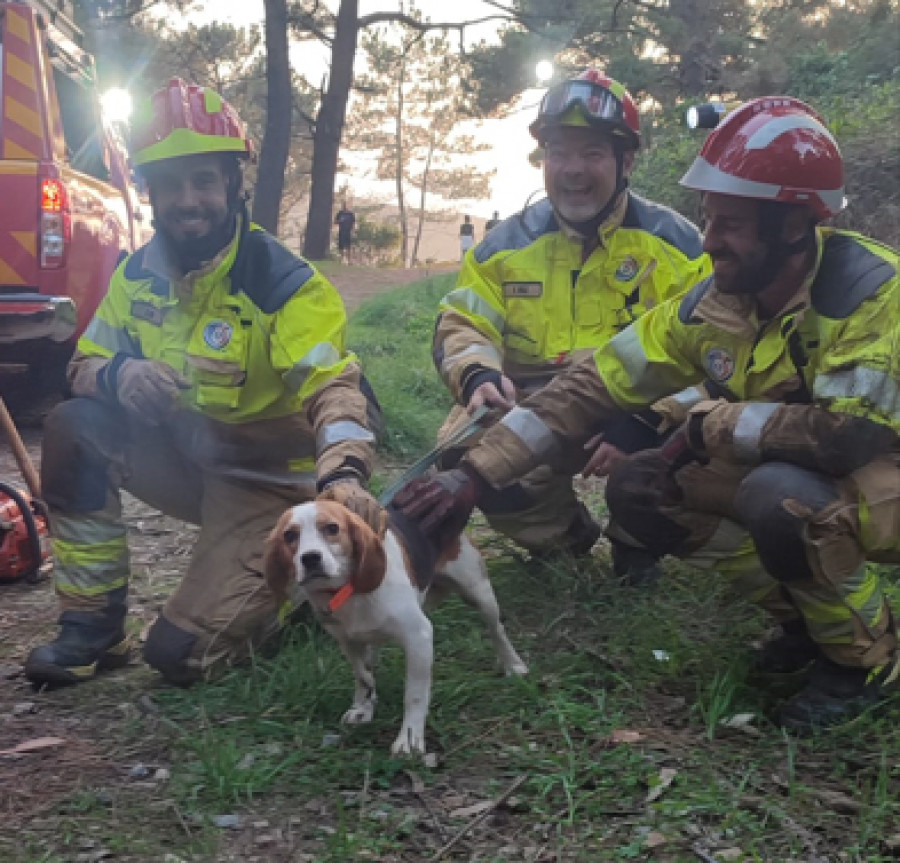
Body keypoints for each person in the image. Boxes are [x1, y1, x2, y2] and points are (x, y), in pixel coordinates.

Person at [397, 96, 900, 733]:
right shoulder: (717, 299)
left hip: (879, 467)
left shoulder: (869, 291)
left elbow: (843, 438)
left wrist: (705, 425)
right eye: (709, 218)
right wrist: (472, 475)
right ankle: (805, 619)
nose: (711, 241)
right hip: (818, 468)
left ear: (794, 226)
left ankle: (864, 659)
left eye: (731, 225)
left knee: (782, 498)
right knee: (645, 491)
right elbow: (590, 385)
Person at [24, 79, 384, 688]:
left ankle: (294, 588)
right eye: (169, 184)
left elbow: (335, 390)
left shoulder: (283, 282)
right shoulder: (134, 276)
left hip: (271, 490)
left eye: (203, 181)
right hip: (190, 466)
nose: (187, 200)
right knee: (74, 425)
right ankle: (93, 627)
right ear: (149, 191)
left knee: (180, 656)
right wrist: (121, 373)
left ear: (231, 184)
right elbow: (81, 367)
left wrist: (344, 477)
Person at [431, 70, 709, 560]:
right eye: (558, 152)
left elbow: (717, 356)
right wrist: (478, 375)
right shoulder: (503, 247)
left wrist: (646, 420)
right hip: (535, 401)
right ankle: (565, 541)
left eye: (592, 154)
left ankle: (638, 539)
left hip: (643, 403)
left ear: (626, 162)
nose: (572, 169)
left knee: (694, 444)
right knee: (462, 448)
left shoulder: (680, 246)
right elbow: (463, 323)